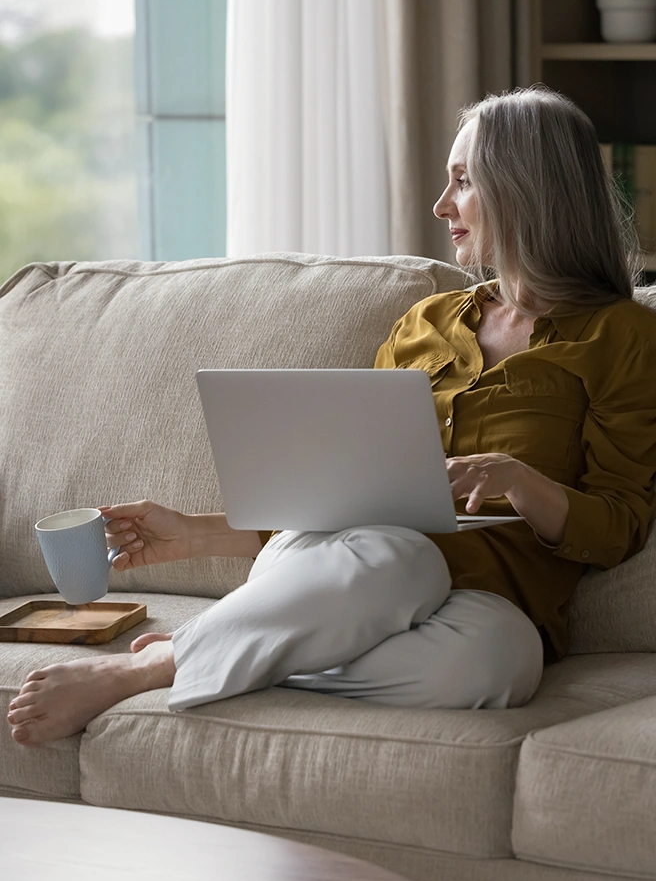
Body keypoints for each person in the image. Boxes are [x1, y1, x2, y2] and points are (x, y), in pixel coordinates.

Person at [8, 85, 656, 747]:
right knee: (407, 560)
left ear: (525, 190)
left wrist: (520, 480)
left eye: (463, 182)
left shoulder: (622, 336)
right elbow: (342, 493)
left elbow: (619, 528)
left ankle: (232, 649)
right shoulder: (424, 324)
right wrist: (195, 530)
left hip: (490, 601)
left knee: (500, 665)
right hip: (349, 561)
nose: (442, 206)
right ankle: (155, 666)